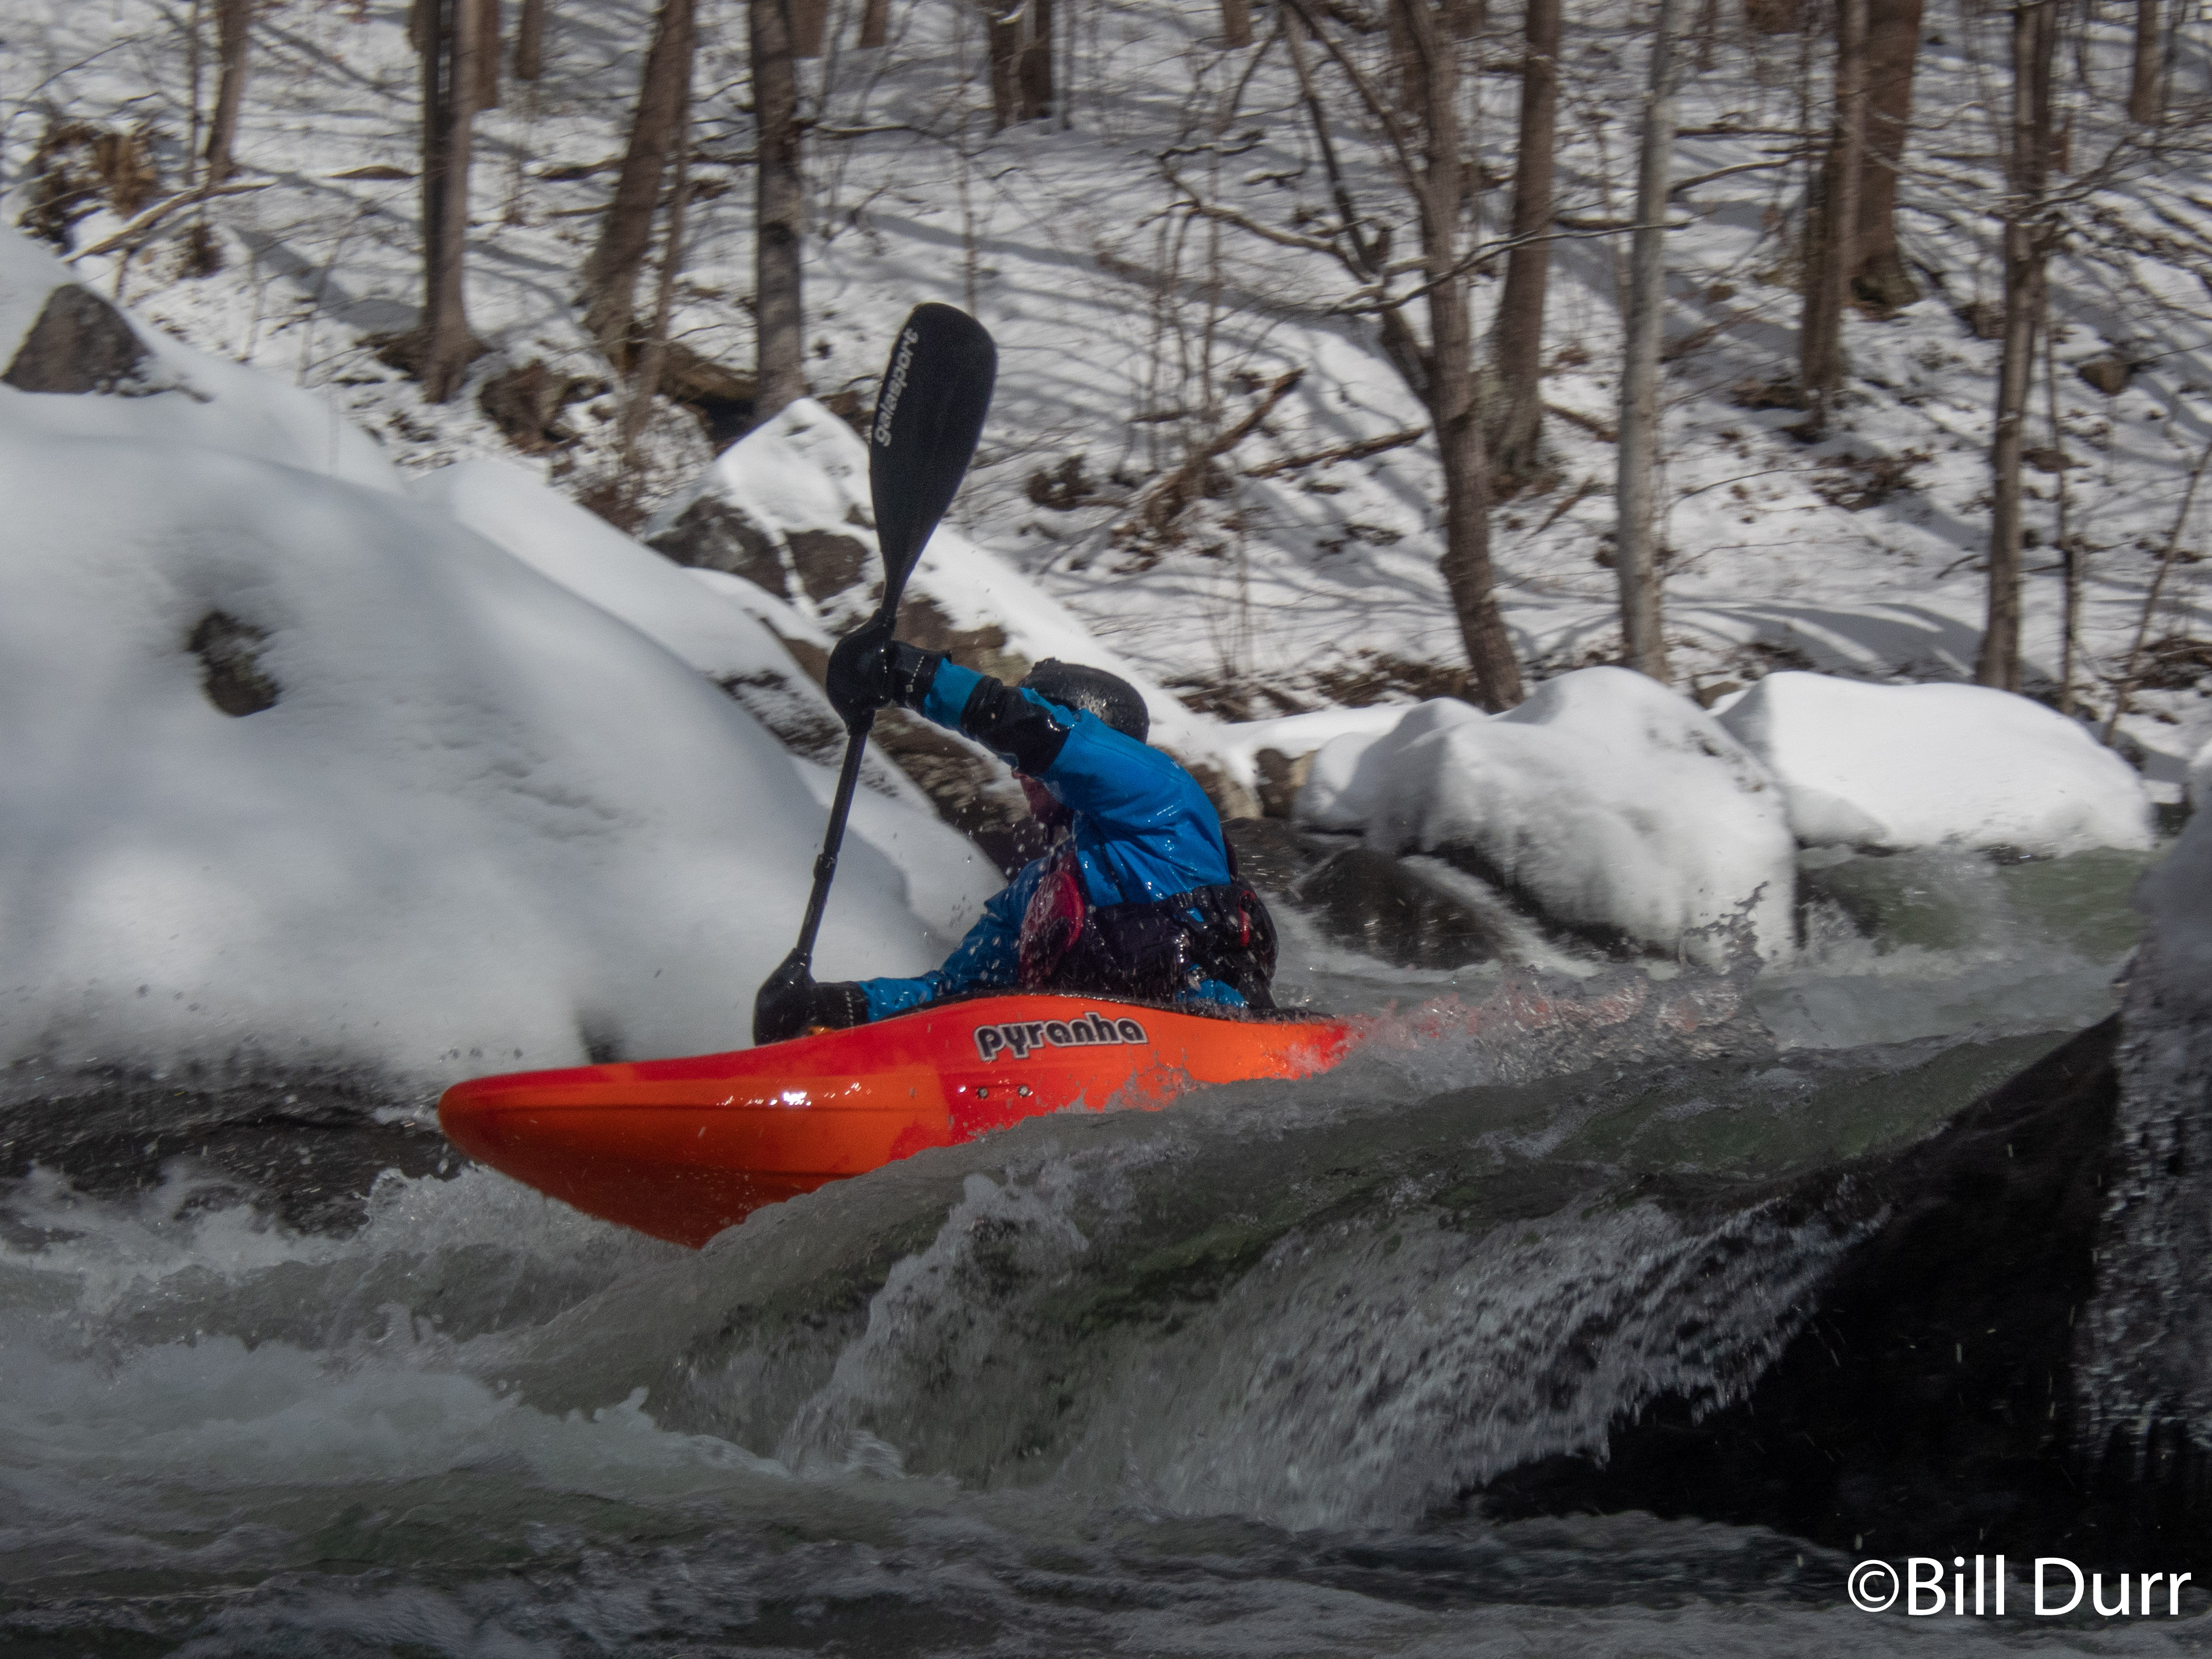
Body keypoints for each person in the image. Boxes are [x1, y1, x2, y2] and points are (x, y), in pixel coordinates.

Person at [754, 632, 1276, 1042]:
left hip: (1216, 1042)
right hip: (1095, 1076)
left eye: (1024, 761)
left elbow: (1038, 734)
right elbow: (956, 996)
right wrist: (837, 1006)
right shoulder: (1036, 892)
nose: (1016, 771)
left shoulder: (1164, 800)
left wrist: (913, 678)